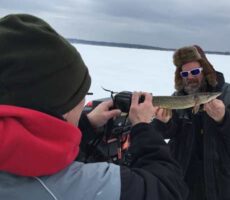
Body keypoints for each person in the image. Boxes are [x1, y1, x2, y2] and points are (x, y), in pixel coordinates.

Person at [0, 14, 188, 200]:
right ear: (61, 106)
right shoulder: (81, 186)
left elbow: (30, 149)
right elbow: (168, 189)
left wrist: (86, 124)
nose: (82, 103)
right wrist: (142, 126)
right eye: (80, 96)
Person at [153, 45, 230, 200]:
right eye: (185, 73)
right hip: (187, 180)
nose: (190, 77)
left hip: (227, 182)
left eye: (195, 72)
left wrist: (224, 118)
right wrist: (164, 123)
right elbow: (169, 133)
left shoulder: (228, 94)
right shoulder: (177, 98)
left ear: (205, 70)